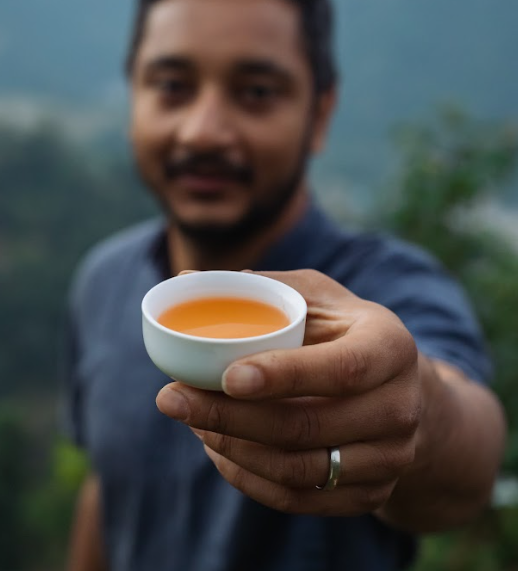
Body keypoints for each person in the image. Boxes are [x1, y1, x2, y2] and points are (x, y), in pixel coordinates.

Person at [63, 0, 507, 569]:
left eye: (256, 93)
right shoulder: (102, 282)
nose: (203, 131)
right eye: (172, 85)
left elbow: (467, 465)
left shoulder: (385, 288)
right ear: (133, 97)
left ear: (320, 114)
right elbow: (106, 488)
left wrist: (420, 412)